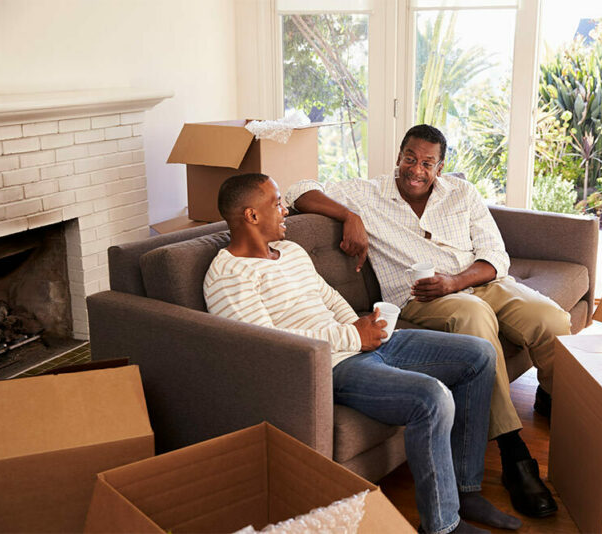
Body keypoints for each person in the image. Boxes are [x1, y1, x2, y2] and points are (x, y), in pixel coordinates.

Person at [204, 173, 522, 534]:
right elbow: (268, 344)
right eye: (276, 203)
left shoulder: (290, 252)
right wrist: (353, 336)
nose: (284, 211)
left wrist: (367, 327)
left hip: (359, 343)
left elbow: (329, 298)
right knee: (432, 399)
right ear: (251, 216)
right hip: (329, 365)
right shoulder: (228, 274)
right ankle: (443, 526)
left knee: (479, 355)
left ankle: (466, 491)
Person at [286, 124, 569, 518]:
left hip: (477, 281)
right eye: (410, 159)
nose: (416, 170)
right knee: (474, 317)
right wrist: (349, 215)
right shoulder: (366, 194)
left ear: (440, 167)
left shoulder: (462, 193)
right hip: (421, 300)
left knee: (551, 319)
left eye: (427, 163)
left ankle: (553, 397)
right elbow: (296, 189)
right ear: (398, 156)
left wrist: (456, 280)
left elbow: (495, 255)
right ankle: (513, 453)